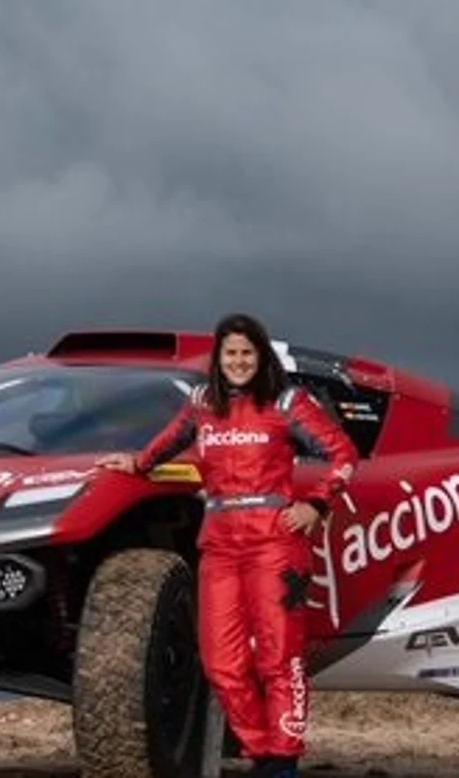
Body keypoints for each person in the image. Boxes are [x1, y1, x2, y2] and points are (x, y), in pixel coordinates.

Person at [97, 313, 359, 778]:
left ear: (260, 357)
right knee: (220, 662)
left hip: (275, 544)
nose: (238, 361)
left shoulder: (287, 401)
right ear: (218, 359)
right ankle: (262, 753)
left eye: (247, 353)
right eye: (230, 353)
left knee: (279, 657)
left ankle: (282, 762)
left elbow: (344, 455)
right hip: (219, 544)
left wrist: (317, 505)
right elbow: (164, 445)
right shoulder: (201, 404)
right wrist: (135, 464)